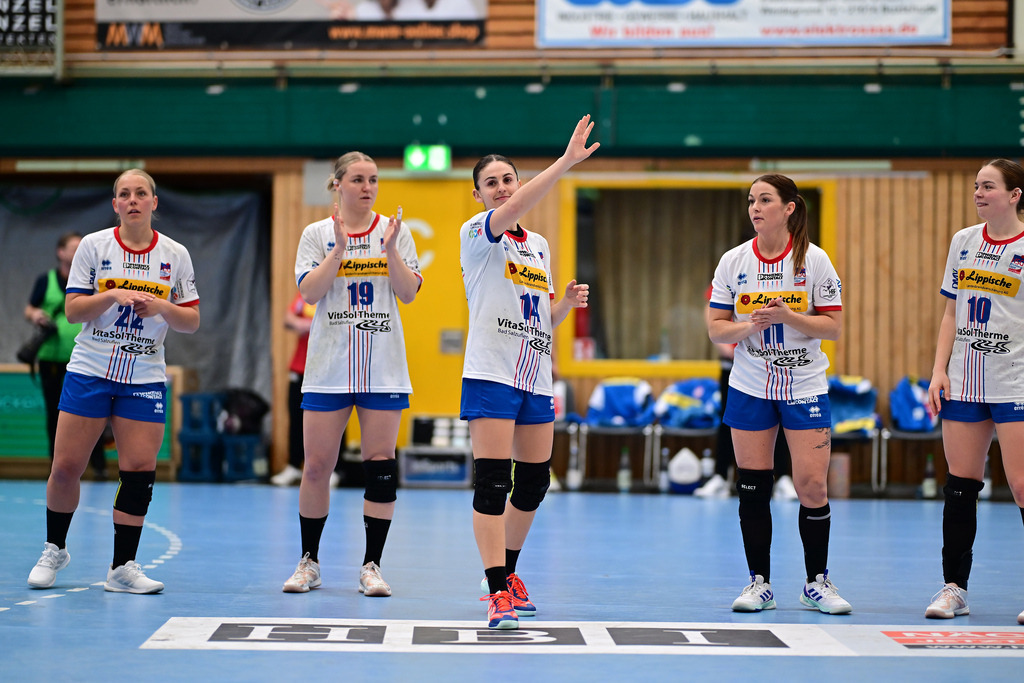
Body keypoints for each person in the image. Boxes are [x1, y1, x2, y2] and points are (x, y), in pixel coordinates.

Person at [27, 169, 200, 594]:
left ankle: (122, 567)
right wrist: (111, 296)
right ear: (116, 204)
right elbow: (72, 311)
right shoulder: (94, 246)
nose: (133, 199)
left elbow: (192, 321)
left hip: (143, 375)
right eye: (125, 194)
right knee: (66, 466)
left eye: (141, 193)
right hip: (91, 370)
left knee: (138, 470)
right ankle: (55, 548)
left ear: (154, 203)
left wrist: (161, 306)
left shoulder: (175, 254)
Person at [461, 114, 598, 629]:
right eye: (490, 183)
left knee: (535, 482)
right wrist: (566, 162)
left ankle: (507, 574)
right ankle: (496, 589)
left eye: (506, 180)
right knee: (493, 481)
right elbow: (517, 208)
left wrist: (561, 305)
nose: (501, 189)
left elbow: (538, 318)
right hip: (491, 372)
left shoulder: (536, 245)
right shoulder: (477, 233)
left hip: (534, 375)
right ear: (479, 196)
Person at [707, 174, 851, 615]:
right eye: (751, 200)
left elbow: (834, 326)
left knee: (811, 485)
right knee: (752, 485)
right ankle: (759, 583)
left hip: (804, 385)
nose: (755, 207)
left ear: (789, 208)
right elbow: (715, 328)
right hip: (750, 386)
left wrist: (790, 315)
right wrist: (750, 325)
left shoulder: (815, 261)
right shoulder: (733, 261)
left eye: (765, 200)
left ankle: (817, 583)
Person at [283, 152, 422, 597]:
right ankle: (309, 562)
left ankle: (372, 566)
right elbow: (308, 292)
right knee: (317, 466)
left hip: (382, 367)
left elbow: (408, 293)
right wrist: (340, 251)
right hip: (328, 369)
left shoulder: (395, 231)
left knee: (380, 468)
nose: (367, 187)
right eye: (358, 179)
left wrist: (393, 250)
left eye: (374, 180)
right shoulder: (317, 234)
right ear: (337, 185)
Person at [925, 159, 1024, 624]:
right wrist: (938, 370)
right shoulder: (963, 242)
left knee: (1022, 485)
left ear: (1015, 194)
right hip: (965, 380)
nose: (979, 193)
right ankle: (954, 589)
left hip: (1014, 380)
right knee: (961, 486)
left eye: (989, 186)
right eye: (976, 186)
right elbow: (950, 313)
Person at [24, 232, 108, 481]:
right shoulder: (46, 280)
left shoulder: (94, 278)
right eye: (73, 247)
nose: (77, 251)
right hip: (53, 358)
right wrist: (35, 315)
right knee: (54, 413)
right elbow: (30, 307)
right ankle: (57, 467)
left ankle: (99, 467)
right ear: (60, 252)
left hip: (87, 360)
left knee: (94, 414)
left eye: (81, 246)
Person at [696, 334, 798, 501]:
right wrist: (728, 347)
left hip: (771, 362)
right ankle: (720, 477)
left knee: (778, 416)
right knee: (727, 419)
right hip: (733, 364)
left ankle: (783, 478)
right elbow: (713, 316)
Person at [270, 292, 343, 488]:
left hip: (331, 369)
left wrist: (313, 325)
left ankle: (334, 470)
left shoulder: (340, 295)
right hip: (300, 368)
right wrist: (306, 325)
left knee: (335, 421)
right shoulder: (307, 294)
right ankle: (293, 466)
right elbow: (288, 318)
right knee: (296, 419)